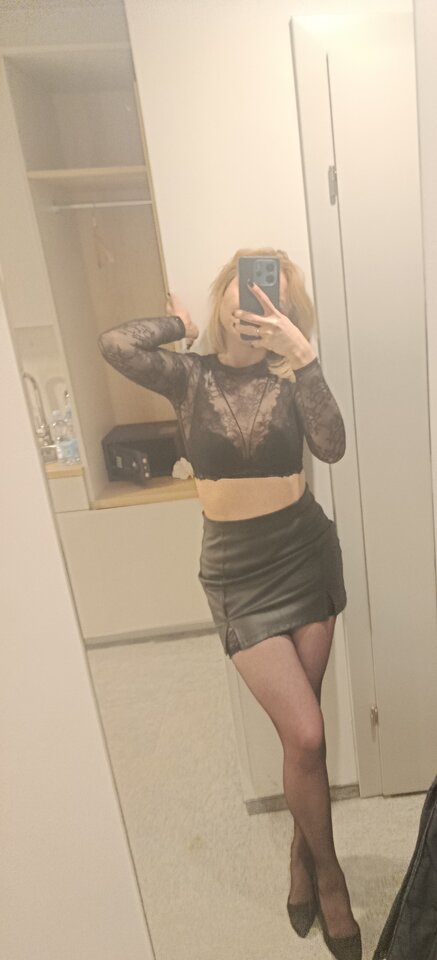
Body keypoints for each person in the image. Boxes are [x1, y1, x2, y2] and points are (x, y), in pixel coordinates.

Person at [98, 247, 362, 960]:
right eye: (244, 290)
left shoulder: (291, 376)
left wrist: (303, 357)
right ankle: (329, 874)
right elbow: (115, 344)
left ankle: (300, 858)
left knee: (302, 739)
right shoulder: (186, 375)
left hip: (305, 555)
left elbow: (332, 447)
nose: (255, 303)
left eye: (274, 296)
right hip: (238, 574)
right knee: (306, 734)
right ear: (223, 297)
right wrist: (177, 326)